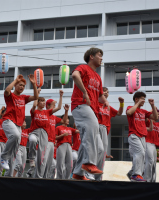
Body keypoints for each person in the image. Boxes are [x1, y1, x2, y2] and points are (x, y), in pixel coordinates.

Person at [71, 48, 109, 180]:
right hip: (80, 105)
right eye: (100, 55)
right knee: (92, 131)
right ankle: (88, 163)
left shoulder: (98, 77)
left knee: (99, 147)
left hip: (91, 109)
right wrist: (85, 92)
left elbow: (99, 97)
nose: (101, 58)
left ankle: (78, 173)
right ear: (91, 56)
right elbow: (75, 75)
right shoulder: (83, 67)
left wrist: (106, 102)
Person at [0, 74, 38, 171]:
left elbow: (36, 97)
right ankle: (3, 157)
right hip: (8, 121)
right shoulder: (11, 96)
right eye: (20, 85)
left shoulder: (23, 98)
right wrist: (15, 80)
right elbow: (7, 91)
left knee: (16, 146)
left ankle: (9, 167)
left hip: (18, 125)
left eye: (23, 86)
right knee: (15, 135)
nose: (22, 87)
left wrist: (33, 84)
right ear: (15, 85)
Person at [28, 91, 63, 178]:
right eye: (41, 101)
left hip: (44, 135)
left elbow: (58, 107)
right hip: (35, 132)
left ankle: (39, 177)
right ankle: (31, 159)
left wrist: (61, 96)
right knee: (32, 140)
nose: (43, 103)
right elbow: (33, 106)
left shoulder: (47, 112)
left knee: (42, 159)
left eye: (44, 101)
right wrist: (37, 94)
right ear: (38, 103)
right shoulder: (34, 112)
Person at [93, 87, 124, 181]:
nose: (106, 93)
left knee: (102, 153)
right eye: (104, 92)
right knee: (97, 150)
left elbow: (119, 113)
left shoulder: (108, 107)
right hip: (96, 127)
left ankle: (98, 177)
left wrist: (121, 103)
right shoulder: (95, 104)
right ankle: (90, 173)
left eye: (108, 92)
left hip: (105, 130)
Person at [126, 91, 158, 182]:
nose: (144, 101)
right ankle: (136, 174)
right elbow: (129, 113)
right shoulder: (130, 108)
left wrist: (152, 105)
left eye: (144, 99)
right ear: (136, 99)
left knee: (142, 156)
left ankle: (134, 174)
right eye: (142, 99)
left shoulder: (144, 111)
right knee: (140, 153)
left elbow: (155, 117)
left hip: (142, 136)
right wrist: (137, 103)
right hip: (134, 135)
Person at [55, 114, 80, 179]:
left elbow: (78, 131)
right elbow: (55, 137)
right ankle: (60, 179)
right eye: (66, 119)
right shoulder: (58, 127)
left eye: (68, 119)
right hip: (61, 145)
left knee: (70, 165)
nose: (68, 120)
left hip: (69, 146)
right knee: (60, 164)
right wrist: (62, 135)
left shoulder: (70, 129)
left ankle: (66, 178)